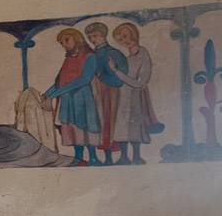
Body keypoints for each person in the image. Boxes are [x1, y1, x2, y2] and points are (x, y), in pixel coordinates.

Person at [42, 28, 103, 165]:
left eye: (66, 40)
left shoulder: (90, 56)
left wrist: (53, 96)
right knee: (73, 130)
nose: (64, 44)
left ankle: (93, 158)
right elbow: (59, 83)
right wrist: (45, 95)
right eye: (61, 43)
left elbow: (85, 79)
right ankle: (78, 158)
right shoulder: (68, 59)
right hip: (68, 100)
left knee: (87, 128)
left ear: (77, 38)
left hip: (84, 99)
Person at [108, 22, 161, 164]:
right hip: (121, 97)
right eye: (120, 40)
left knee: (134, 126)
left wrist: (116, 71)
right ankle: (123, 157)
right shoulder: (126, 58)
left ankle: (137, 156)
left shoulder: (143, 54)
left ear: (134, 34)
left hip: (135, 97)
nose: (124, 41)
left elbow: (140, 82)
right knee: (121, 126)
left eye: (125, 36)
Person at [84, 22, 128, 165]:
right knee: (99, 123)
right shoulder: (91, 54)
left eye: (95, 35)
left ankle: (114, 158)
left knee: (110, 123)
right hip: (95, 93)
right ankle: (106, 158)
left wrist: (102, 77)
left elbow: (120, 79)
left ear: (103, 35)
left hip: (110, 92)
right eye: (89, 37)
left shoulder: (114, 53)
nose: (92, 39)